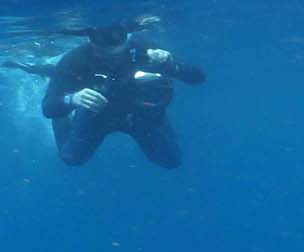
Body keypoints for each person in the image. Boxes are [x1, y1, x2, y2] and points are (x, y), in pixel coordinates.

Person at [40, 20, 204, 168]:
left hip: (140, 113)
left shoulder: (145, 49)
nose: (112, 57)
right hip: (95, 115)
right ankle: (61, 118)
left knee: (171, 161)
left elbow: (197, 77)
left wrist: (170, 65)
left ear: (127, 38)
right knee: (71, 158)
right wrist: (71, 99)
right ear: (90, 40)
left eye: (117, 51)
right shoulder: (74, 60)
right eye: (104, 53)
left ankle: (158, 120)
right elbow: (48, 109)